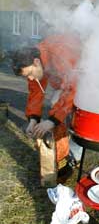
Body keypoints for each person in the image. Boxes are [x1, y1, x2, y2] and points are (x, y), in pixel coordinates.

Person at [11, 34, 82, 185]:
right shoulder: (35, 59)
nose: (30, 79)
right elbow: (35, 92)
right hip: (66, 83)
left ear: (36, 62)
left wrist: (51, 120)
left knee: (77, 114)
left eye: (29, 74)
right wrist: (33, 119)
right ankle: (61, 155)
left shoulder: (60, 54)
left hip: (85, 79)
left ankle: (75, 153)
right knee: (57, 104)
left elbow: (71, 89)